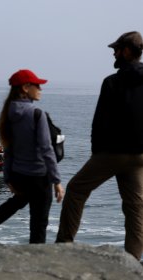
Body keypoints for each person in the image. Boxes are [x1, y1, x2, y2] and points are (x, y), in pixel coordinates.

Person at [56, 31, 143, 261]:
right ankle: (133, 260)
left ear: (126, 51)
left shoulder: (112, 82)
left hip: (112, 152)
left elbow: (100, 121)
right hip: (139, 155)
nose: (113, 53)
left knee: (75, 190)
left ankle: (63, 244)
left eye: (116, 49)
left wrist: (97, 154)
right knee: (135, 206)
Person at [0, 69, 64, 243]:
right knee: (39, 222)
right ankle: (36, 258)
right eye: (37, 85)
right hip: (39, 175)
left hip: (19, 174)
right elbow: (46, 149)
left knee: (15, 203)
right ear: (26, 87)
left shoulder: (8, 114)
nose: (40, 89)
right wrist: (57, 180)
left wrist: (8, 177)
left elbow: (9, 150)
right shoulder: (36, 114)